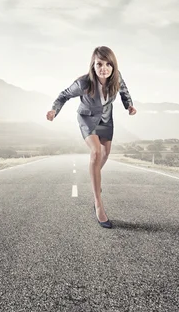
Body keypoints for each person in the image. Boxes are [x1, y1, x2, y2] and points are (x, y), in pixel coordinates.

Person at [46, 46, 137, 228]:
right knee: (95, 153)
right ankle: (98, 203)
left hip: (105, 120)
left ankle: (95, 176)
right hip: (87, 118)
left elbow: (124, 91)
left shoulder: (117, 77)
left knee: (104, 155)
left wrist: (129, 106)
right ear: (93, 66)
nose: (104, 68)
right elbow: (64, 95)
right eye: (99, 64)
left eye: (108, 64)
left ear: (113, 65)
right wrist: (53, 110)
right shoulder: (83, 83)